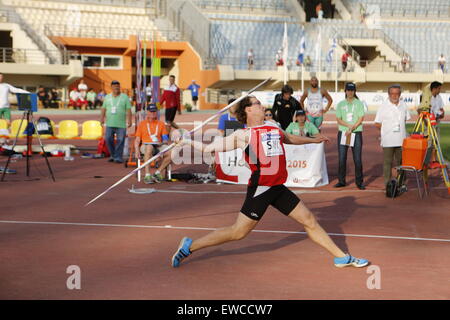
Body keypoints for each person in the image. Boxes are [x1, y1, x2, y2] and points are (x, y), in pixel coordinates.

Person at [171, 95, 369, 269]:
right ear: (248, 110)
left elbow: (289, 138)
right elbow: (209, 149)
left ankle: (341, 258)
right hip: (261, 188)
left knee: (309, 219)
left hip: (277, 186)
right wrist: (186, 141)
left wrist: (313, 140)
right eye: (257, 103)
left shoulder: (272, 126)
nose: (261, 105)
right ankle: (190, 246)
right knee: (238, 233)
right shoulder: (243, 135)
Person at [374, 84, 411, 187]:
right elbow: (377, 123)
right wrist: (386, 131)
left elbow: (405, 120)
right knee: (387, 163)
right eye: (392, 93)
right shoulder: (383, 106)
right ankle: (388, 185)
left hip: (401, 140)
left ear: (400, 94)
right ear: (388, 94)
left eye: (397, 93)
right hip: (388, 140)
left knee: (402, 163)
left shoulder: (403, 105)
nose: (394, 96)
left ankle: (401, 183)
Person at [335, 82, 366, 190]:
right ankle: (341, 181)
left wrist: (351, 129)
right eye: (348, 90)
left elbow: (361, 118)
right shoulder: (340, 104)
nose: (350, 92)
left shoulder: (359, 104)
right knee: (342, 158)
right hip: (343, 133)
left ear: (354, 91)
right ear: (345, 91)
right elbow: (338, 119)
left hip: (356, 133)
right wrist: (348, 127)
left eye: (352, 90)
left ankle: (359, 182)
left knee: (357, 158)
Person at [134, 104, 171, 183]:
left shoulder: (161, 124)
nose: (153, 113)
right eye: (151, 111)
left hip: (158, 145)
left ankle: (157, 172)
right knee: (149, 147)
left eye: (154, 111)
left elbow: (165, 139)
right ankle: (147, 175)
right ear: (147, 112)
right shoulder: (142, 124)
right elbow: (137, 140)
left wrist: (162, 143)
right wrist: (137, 150)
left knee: (171, 153)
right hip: (145, 145)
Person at [100, 80, 132, 163]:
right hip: (110, 123)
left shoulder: (125, 97)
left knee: (120, 140)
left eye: (117, 86)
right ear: (111, 87)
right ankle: (113, 155)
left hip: (121, 124)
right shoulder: (107, 97)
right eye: (114, 86)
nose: (116, 88)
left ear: (119, 87)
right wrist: (102, 118)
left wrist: (130, 120)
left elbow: (128, 109)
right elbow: (103, 108)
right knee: (108, 139)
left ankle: (117, 157)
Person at [429, 81, 445, 168]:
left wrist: (442, 113)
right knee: (429, 142)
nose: (440, 90)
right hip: (429, 123)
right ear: (434, 88)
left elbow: (441, 108)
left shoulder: (439, 97)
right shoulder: (428, 97)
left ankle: (434, 160)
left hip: (437, 121)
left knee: (436, 141)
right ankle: (427, 160)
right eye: (439, 88)